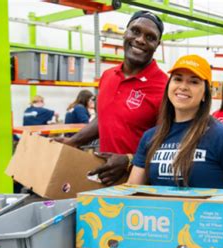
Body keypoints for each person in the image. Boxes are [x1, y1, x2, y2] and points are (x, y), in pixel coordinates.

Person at [127, 55, 223, 222]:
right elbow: (131, 190)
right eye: (178, 79)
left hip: (204, 233)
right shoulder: (150, 137)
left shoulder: (222, 136)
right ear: (169, 86)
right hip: (159, 231)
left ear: (205, 93)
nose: (183, 86)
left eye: (194, 81)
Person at [57, 10, 168, 185]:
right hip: (104, 179)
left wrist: (129, 160)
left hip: (139, 186)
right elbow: (105, 118)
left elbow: (168, 142)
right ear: (126, 32)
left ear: (157, 45)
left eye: (150, 37)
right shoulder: (108, 76)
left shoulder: (164, 87)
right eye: (136, 31)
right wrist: (73, 141)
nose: (140, 40)